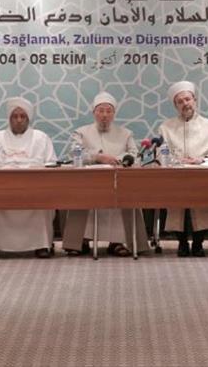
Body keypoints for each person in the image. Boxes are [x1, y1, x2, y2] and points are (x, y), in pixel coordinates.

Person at [61, 92, 149, 257]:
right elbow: (74, 153)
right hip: (88, 182)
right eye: (101, 111)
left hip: (117, 181)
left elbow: (134, 155)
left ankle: (117, 242)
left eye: (108, 111)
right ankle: (81, 241)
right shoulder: (81, 132)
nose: (104, 115)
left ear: (114, 114)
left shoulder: (126, 133)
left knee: (124, 196)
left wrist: (117, 159)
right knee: (80, 196)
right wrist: (97, 157)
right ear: (94, 112)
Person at [0, 97, 58, 259]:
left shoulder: (41, 137)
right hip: (2, 189)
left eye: (23, 116)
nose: (19, 120)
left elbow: (51, 164)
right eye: (15, 116)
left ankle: (41, 245)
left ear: (28, 118)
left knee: (41, 202)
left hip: (34, 189)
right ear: (9, 118)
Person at [158, 81, 208, 257]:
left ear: (195, 100)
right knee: (176, 204)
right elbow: (160, 153)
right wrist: (175, 161)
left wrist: (202, 159)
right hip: (176, 177)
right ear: (176, 105)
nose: (185, 104)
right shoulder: (166, 127)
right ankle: (181, 243)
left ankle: (198, 243)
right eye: (180, 101)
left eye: (187, 99)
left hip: (202, 177)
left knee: (202, 202)